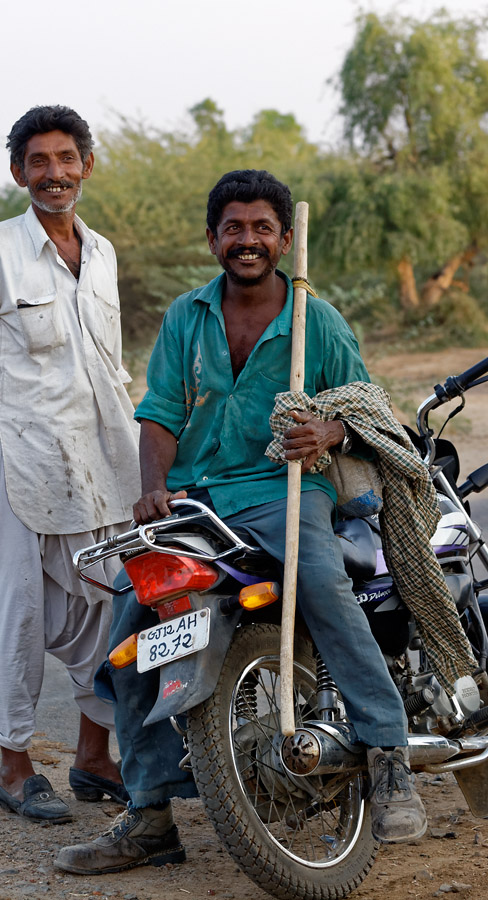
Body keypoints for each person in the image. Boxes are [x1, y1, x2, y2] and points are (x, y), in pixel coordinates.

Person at [55, 168, 432, 870]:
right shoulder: (186, 316)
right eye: (234, 228)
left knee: (322, 584)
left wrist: (328, 433)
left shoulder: (315, 318)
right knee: (135, 632)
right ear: (213, 239)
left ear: (285, 238)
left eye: (262, 228)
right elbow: (161, 413)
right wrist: (152, 487)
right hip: (196, 496)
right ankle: (150, 815)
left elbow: (362, 404)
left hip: (282, 488)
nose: (248, 240)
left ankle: (387, 757)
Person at [0, 105, 139, 823]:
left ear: (86, 166)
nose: (55, 174)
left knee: (111, 609)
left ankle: (93, 757)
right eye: (39, 162)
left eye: (67, 159)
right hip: (14, 460)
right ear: (19, 172)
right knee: (15, 616)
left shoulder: (104, 253)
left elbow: (111, 369)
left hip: (100, 463)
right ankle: (14, 769)